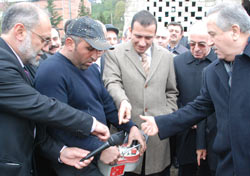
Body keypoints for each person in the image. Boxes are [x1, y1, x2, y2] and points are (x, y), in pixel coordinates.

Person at [140, 3, 250, 176]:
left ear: (235, 31)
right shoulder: (213, 72)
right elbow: (199, 107)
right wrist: (161, 123)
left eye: (213, 35)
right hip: (228, 164)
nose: (211, 42)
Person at [0, 3, 110, 175]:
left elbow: (33, 125)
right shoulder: (2, 64)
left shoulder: (25, 65)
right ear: (20, 32)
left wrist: (59, 152)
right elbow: (41, 106)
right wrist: (90, 123)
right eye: (43, 39)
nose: (46, 47)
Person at [34, 16, 146, 176]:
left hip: (96, 154)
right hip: (73, 163)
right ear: (70, 43)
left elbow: (107, 105)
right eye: (90, 48)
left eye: (100, 49)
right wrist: (100, 149)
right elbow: (56, 127)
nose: (95, 56)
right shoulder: (51, 72)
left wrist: (131, 127)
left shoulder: (91, 69)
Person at [103, 10, 178, 176]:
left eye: (148, 38)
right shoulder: (114, 53)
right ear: (130, 32)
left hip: (158, 142)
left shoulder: (167, 57)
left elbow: (172, 92)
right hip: (126, 139)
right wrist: (123, 101)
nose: (143, 43)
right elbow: (112, 82)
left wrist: (163, 118)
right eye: (138, 36)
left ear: (155, 35)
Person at [174, 21, 217, 176]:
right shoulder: (177, 62)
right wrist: (185, 115)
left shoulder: (219, 62)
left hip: (212, 131)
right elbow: (173, 93)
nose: (196, 49)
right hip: (187, 130)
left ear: (211, 41)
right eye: (192, 44)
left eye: (201, 44)